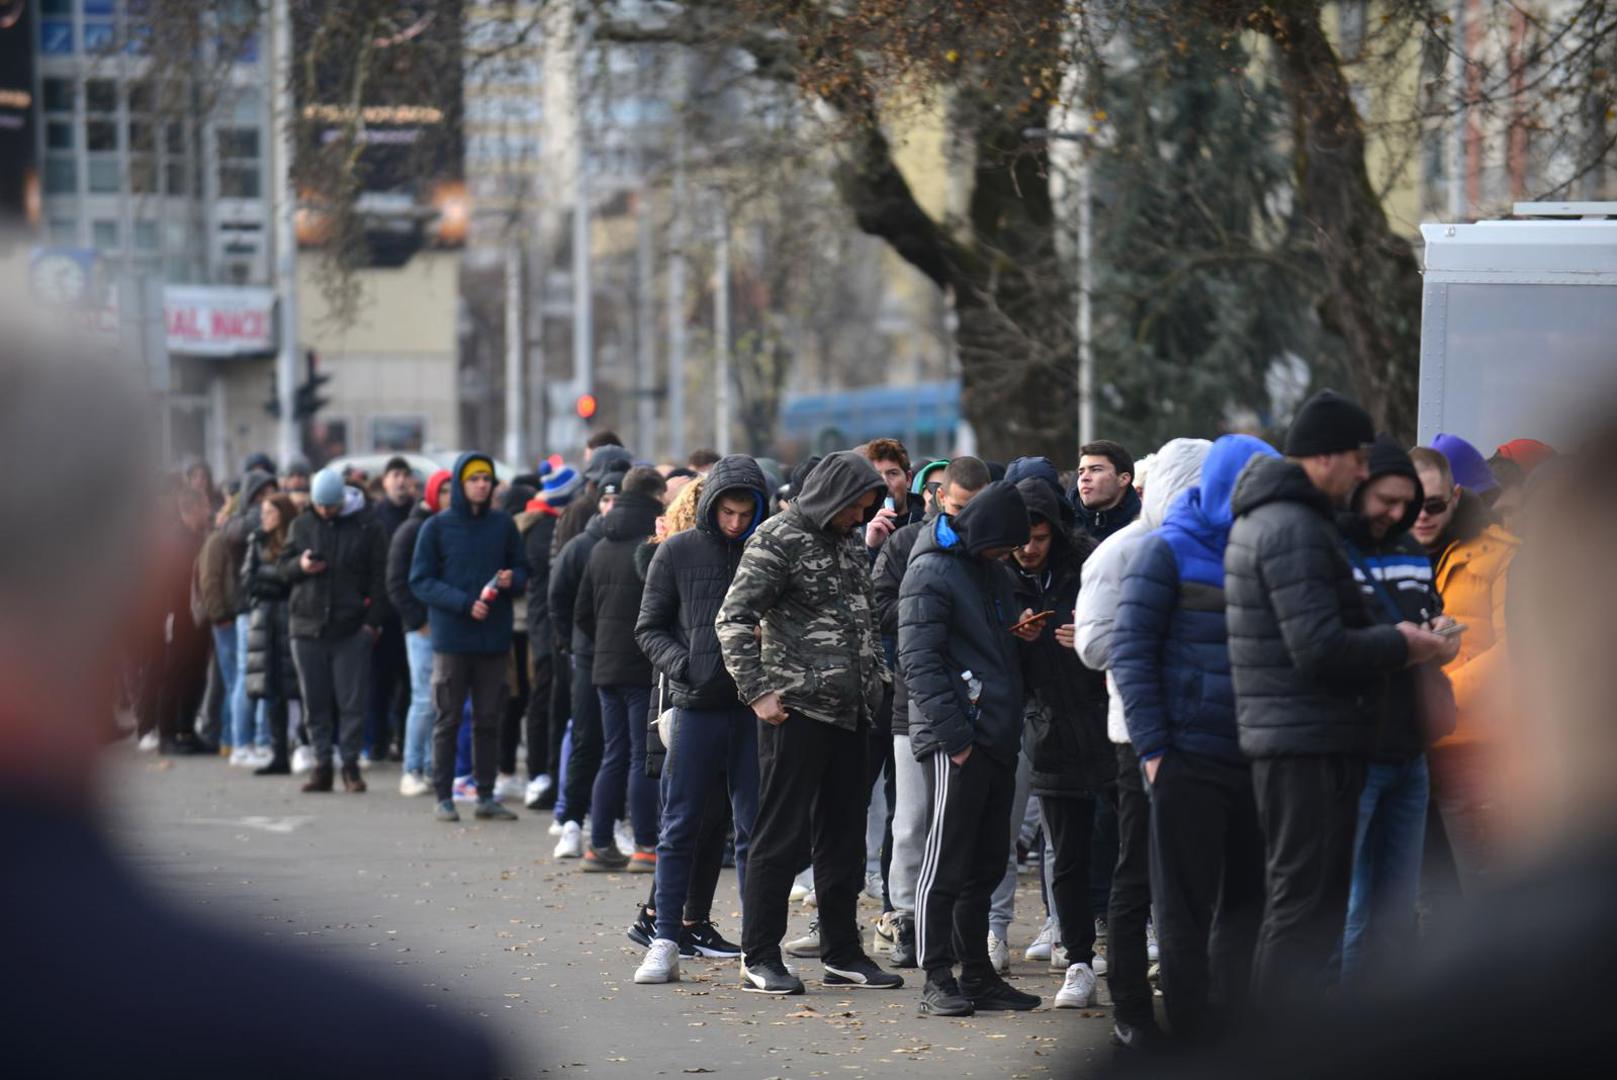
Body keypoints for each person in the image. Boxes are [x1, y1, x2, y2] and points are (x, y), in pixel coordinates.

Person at [1224, 390, 1448, 1002]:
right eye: (1356, 458)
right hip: (1305, 743)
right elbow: (1318, 647)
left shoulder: (1284, 518)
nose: (1361, 470)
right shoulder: (1292, 525)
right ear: (1323, 457)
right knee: (1306, 914)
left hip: (1304, 738)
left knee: (1309, 910)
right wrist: (1403, 644)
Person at [1111, 435, 1279, 1044]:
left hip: (1253, 759)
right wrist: (1155, 752)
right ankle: (1190, 1040)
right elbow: (1129, 653)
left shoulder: (1260, 549)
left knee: (1245, 906)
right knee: (1183, 913)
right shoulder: (1165, 551)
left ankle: (1231, 1034)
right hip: (1186, 760)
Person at [716, 450, 901, 995]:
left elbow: (862, 621)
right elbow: (733, 619)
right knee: (779, 835)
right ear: (834, 497)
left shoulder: (847, 542)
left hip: (855, 713)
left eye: (867, 510)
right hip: (795, 713)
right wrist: (758, 695)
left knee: (844, 839)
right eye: (855, 508)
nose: (860, 519)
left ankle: (842, 951)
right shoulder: (777, 538)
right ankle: (760, 954)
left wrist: (881, 682)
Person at [1076, 436, 1210, 1050]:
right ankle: (1130, 1008)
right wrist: (1162, 646)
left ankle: (1193, 1006)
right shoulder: (1123, 551)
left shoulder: (1201, 546)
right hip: (1137, 736)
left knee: (1188, 876)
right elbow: (1095, 643)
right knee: (1135, 875)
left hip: (1196, 734)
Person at [899, 480, 1036, 1016]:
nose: (1009, 557)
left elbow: (979, 644)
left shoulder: (990, 570)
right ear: (985, 534)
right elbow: (920, 662)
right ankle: (937, 977)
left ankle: (976, 973)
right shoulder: (931, 569)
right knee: (946, 860)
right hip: (961, 737)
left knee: (985, 862)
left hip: (995, 733)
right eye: (1004, 546)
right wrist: (956, 741)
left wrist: (1016, 635)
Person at [631, 455, 770, 984]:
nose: (735, 522)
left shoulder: (768, 549)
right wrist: (686, 665)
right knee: (679, 826)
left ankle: (759, 946)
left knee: (755, 830)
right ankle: (664, 937)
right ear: (712, 505)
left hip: (756, 706)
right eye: (728, 512)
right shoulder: (678, 551)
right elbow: (649, 628)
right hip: (694, 705)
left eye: (745, 513)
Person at [1337, 436, 1457, 981]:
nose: (1399, 512)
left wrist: (1439, 637)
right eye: (1388, 499)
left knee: (1396, 906)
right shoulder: (1332, 548)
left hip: (1413, 749)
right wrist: (1405, 641)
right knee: (1351, 907)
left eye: (1409, 503)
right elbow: (1326, 643)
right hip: (1356, 749)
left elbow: (1427, 618)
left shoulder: (1411, 553)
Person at [872, 456, 990, 970]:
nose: (965, 516)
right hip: (913, 702)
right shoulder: (906, 545)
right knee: (912, 821)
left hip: (978, 705)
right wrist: (929, 602)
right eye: (957, 504)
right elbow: (881, 608)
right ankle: (903, 917)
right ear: (938, 498)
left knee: (969, 828)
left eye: (974, 506)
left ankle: (972, 932)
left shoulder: (991, 551)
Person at [1008, 478, 1110, 1009]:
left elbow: (1126, 633)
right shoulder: (999, 575)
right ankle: (1078, 960)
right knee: (1065, 854)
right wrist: (1017, 641)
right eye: (1023, 538)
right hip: (1046, 726)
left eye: (1041, 538)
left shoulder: (1091, 566)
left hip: (1106, 722)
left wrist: (1091, 641)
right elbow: (994, 666)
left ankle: (1132, 939)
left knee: (1118, 843)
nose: (1030, 548)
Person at [1410, 443, 1519, 902]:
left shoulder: (1503, 555)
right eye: (1411, 504)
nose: (1422, 516)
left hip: (1475, 756)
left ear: (1455, 497)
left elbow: (1516, 649)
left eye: (1433, 504)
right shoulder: (1393, 559)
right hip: (1413, 758)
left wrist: (1441, 696)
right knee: (1432, 907)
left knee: (1485, 902)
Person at [410, 453, 527, 824]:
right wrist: (462, 603)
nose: (481, 484)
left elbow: (524, 570)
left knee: (489, 719)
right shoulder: (436, 527)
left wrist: (513, 580)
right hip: (452, 640)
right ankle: (444, 795)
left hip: (493, 640)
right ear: (461, 483)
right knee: (448, 718)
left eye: (486, 479)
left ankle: (486, 794)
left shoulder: (503, 525)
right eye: (473, 479)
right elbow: (421, 580)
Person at [576, 466, 667, 870]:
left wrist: (603, 645)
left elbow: (580, 612)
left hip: (604, 666)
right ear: (654, 497)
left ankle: (598, 845)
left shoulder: (598, 546)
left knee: (613, 754)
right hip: (640, 666)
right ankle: (645, 845)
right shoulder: (653, 546)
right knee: (641, 756)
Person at [281, 467, 390, 794]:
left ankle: (351, 766)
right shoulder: (301, 525)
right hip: (307, 625)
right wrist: (299, 567)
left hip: (351, 627)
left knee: (351, 702)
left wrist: (370, 624)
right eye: (321, 505)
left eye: (332, 505)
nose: (326, 511)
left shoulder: (367, 526)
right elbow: (281, 570)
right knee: (315, 703)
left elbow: (380, 578)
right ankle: (322, 765)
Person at [549, 471, 623, 858]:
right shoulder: (579, 547)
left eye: (618, 500)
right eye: (606, 500)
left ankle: (613, 823)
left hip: (620, 658)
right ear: (598, 503)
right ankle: (572, 821)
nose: (611, 507)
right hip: (587, 656)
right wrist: (574, 642)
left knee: (619, 746)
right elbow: (559, 600)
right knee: (585, 739)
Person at [514, 465, 582, 809]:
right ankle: (541, 772)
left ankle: (543, 773)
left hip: (543, 622)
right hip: (545, 625)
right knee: (545, 699)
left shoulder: (542, 523)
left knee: (547, 700)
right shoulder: (543, 529)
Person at [388, 469, 452, 796]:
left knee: (439, 699)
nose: (450, 497)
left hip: (445, 626)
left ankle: (429, 766)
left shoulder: (451, 526)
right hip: (422, 629)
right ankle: (412, 767)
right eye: (444, 491)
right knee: (424, 699)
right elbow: (397, 582)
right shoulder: (412, 529)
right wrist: (417, 621)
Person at [241, 494, 305, 776]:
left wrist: (275, 577)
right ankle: (279, 753)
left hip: (291, 618)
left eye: (270, 512)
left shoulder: (295, 540)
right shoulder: (257, 541)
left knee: (301, 687)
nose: (264, 517)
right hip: (265, 623)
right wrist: (277, 577)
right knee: (274, 690)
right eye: (263, 511)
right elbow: (249, 581)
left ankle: (304, 745)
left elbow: (295, 578)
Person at [367, 456, 417, 763]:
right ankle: (377, 741)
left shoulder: (417, 514)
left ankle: (403, 738)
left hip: (412, 612)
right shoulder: (375, 517)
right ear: (384, 481)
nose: (400, 481)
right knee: (379, 683)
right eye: (395, 475)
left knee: (411, 683)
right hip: (384, 613)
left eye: (404, 475)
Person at [1074, 440, 1141, 544]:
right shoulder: (1063, 523)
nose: (1084, 478)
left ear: (1123, 479)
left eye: (1096, 469)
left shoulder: (1143, 529)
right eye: (1081, 472)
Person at [862, 437, 919, 552]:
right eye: (876, 474)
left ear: (908, 479)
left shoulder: (926, 523)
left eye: (892, 473)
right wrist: (871, 547)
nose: (884, 483)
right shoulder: (856, 526)